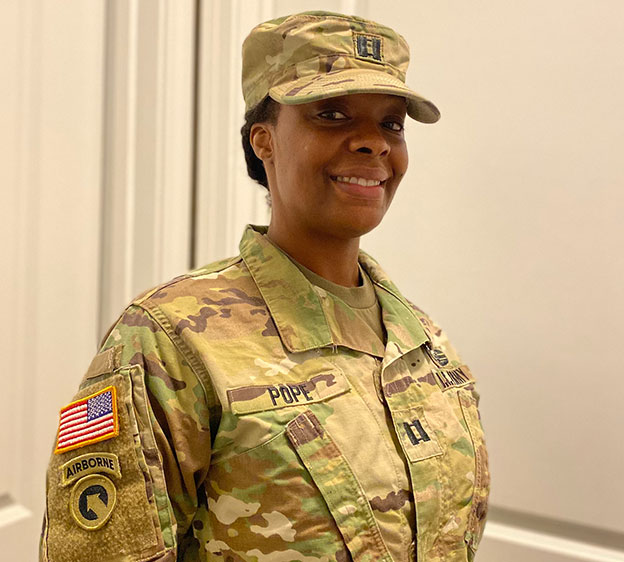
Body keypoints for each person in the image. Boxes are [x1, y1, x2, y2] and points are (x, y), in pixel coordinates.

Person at [40, 11, 489, 562]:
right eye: (331, 114)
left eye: (391, 124)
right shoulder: (167, 341)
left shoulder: (424, 341)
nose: (374, 144)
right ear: (264, 141)